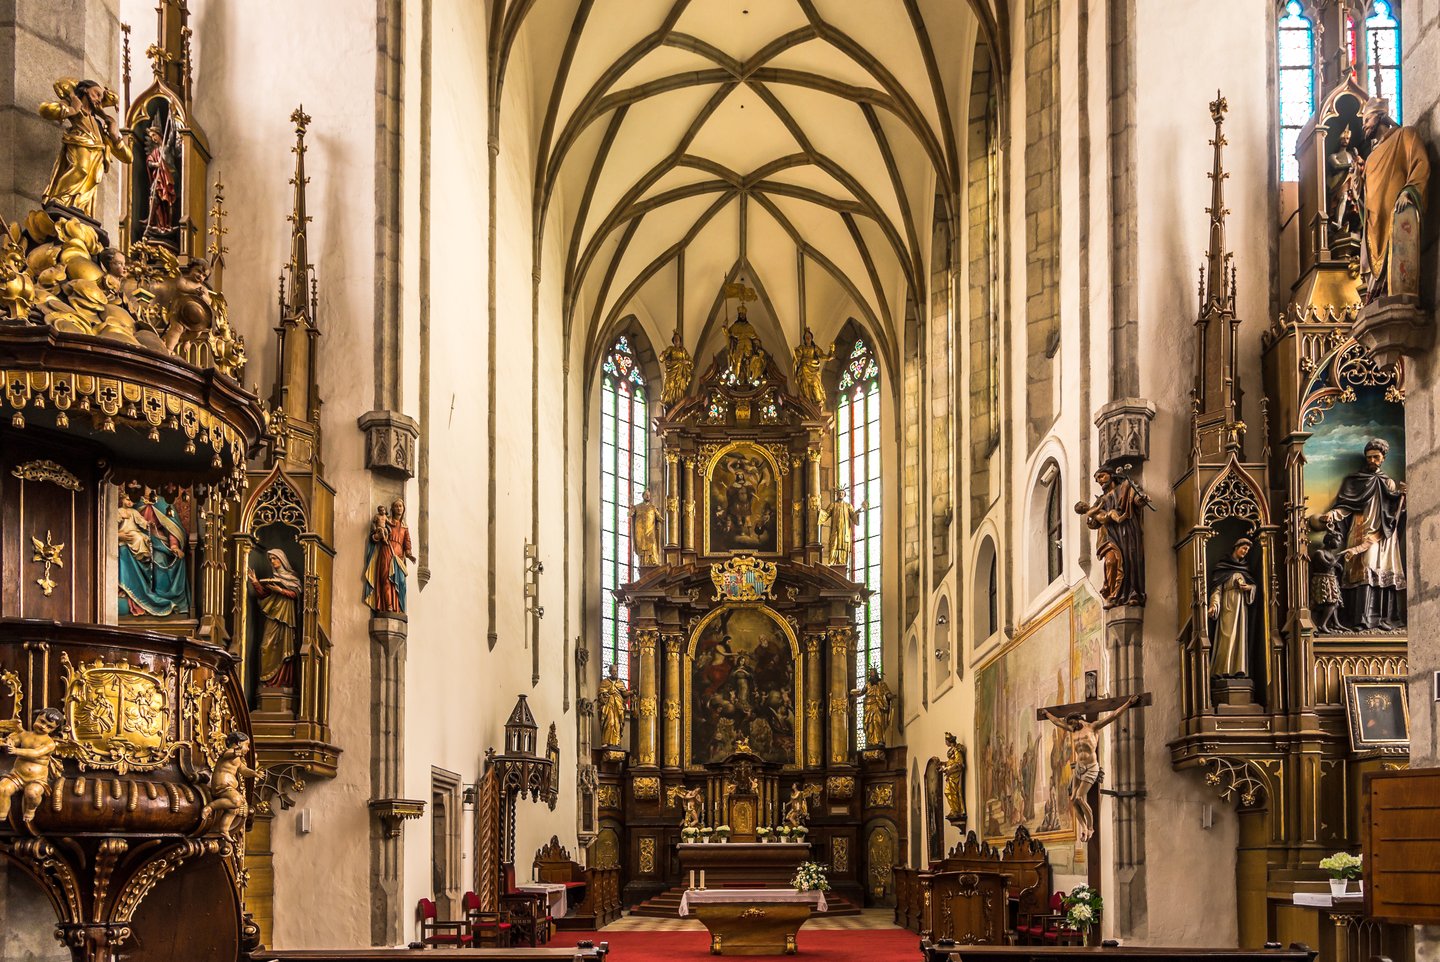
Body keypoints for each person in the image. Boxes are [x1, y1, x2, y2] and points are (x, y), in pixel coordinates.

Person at [1317, 438, 1407, 631]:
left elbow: (1394, 512)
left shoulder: (1388, 483)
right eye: (1369, 457)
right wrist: (1331, 514)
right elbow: (1345, 507)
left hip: (1381, 534)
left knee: (1376, 568)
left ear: (1383, 458)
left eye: (1376, 457)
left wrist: (1402, 499)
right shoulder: (1355, 481)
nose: (1372, 460)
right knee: (1358, 570)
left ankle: (1380, 618)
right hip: (1358, 530)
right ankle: (1358, 619)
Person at [1359, 98, 1430, 302]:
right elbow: (1370, 196)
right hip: (1374, 225)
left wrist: (1409, 190)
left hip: (1394, 217)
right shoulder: (1370, 158)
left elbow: (1420, 163)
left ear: (1381, 116)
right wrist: (1358, 189)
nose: (1364, 125)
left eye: (1367, 119)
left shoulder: (1404, 135)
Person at [1041, 695, 1138, 843]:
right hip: (1079, 768)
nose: (1072, 727)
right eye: (1070, 725)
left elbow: (1113, 715)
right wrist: (1047, 714)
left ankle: (1091, 828)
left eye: (1073, 724)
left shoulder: (1093, 727)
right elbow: (1057, 722)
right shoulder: (1072, 729)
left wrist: (1128, 703)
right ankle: (1084, 828)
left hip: (1091, 767)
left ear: (1078, 719)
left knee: (1080, 797)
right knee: (1073, 799)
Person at [38, 78, 131, 218]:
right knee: (80, 169)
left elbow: (128, 158)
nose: (99, 99)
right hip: (80, 145)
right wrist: (72, 109)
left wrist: (114, 136)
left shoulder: (100, 125)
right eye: (96, 94)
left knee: (88, 177)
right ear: (85, 90)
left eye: (101, 97)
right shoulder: (75, 109)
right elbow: (45, 110)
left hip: (95, 161)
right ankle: (60, 200)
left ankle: (78, 207)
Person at [1074, 466, 1150, 608]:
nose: (1099, 481)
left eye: (1101, 476)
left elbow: (1137, 500)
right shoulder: (1101, 500)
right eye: (1097, 479)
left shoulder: (1126, 487)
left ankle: (1133, 593)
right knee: (1110, 562)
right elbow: (1094, 522)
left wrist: (1142, 499)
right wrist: (1091, 518)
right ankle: (1114, 594)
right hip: (1109, 536)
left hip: (1127, 531)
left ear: (1111, 474)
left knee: (1130, 560)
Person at [249, 548, 302, 689]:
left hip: (287, 618)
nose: (273, 561)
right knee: (265, 646)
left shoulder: (293, 577)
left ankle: (284, 683)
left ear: (282, 559)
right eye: (270, 559)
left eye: (275, 558)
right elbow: (264, 596)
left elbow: (297, 595)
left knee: (285, 647)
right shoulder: (272, 577)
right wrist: (255, 583)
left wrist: (281, 590)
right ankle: (268, 682)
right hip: (273, 616)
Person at [0, 708, 63, 825]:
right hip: (17, 775)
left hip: (36, 779)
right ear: (37, 717)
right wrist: (9, 742)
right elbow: (13, 741)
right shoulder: (24, 735)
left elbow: (35, 753)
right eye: (42, 721)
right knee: (2, 788)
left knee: (32, 793)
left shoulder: (49, 743)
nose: (44, 727)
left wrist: (16, 751)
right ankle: (2, 815)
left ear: (54, 729)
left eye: (49, 727)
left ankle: (30, 809)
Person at [1208, 537, 1258, 677]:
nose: (1245, 552)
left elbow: (1254, 586)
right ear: (1236, 547)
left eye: (1247, 550)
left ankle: (1238, 670)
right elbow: (1217, 590)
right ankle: (1222, 670)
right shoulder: (1223, 567)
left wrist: (1248, 588)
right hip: (1227, 606)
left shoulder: (1245, 569)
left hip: (1241, 607)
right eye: (1243, 548)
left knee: (1240, 638)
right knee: (1227, 637)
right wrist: (1214, 605)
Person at [200, 731, 263, 839]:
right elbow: (226, 755)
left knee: (233, 809)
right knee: (237, 801)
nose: (248, 749)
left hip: (229, 787)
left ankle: (224, 830)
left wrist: (254, 773)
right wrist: (235, 752)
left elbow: (243, 770)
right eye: (246, 745)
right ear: (238, 743)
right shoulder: (229, 753)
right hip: (222, 785)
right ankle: (210, 807)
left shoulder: (238, 759)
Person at [365, 498, 417, 613]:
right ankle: (388, 606)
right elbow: (373, 538)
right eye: (396, 506)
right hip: (386, 551)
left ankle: (397, 608)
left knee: (401, 582)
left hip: (399, 557)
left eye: (401, 506)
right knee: (386, 579)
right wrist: (378, 536)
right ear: (392, 509)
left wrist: (409, 555)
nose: (399, 508)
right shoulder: (386, 522)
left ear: (403, 509)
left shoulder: (404, 527)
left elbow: (407, 544)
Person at [143, 123, 177, 235]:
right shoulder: (155, 151)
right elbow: (149, 162)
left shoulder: (166, 148)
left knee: (168, 201)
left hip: (169, 177)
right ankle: (152, 220)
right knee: (154, 193)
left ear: (159, 135)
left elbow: (172, 135)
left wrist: (172, 117)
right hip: (159, 177)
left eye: (154, 135)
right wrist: (155, 164)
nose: (153, 138)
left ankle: (168, 224)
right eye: (151, 136)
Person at [791, 327, 836, 409]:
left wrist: (830, 353)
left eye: (809, 337)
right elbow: (798, 357)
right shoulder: (801, 348)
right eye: (806, 337)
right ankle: (807, 400)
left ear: (811, 338)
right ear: (804, 339)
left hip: (813, 368)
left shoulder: (815, 348)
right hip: (804, 369)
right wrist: (796, 358)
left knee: (815, 382)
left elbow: (822, 355)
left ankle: (817, 401)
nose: (808, 338)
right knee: (805, 385)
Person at [851, 666, 894, 747]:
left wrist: (890, 696)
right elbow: (862, 693)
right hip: (868, 706)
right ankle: (871, 741)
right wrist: (855, 695)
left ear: (876, 674)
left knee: (877, 721)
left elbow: (887, 692)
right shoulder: (867, 685)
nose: (871, 675)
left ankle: (879, 740)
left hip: (878, 705)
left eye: (872, 673)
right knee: (869, 723)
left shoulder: (882, 684)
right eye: (870, 673)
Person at [597, 662, 631, 748]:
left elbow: (624, 694)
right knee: (610, 722)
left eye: (616, 671)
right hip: (609, 706)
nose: (615, 673)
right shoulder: (605, 682)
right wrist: (607, 694)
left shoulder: (620, 682)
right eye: (613, 671)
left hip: (618, 706)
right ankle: (606, 742)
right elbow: (601, 694)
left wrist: (630, 692)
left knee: (617, 724)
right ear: (610, 672)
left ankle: (616, 743)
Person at [659, 328, 693, 408]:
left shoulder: (683, 350)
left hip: (681, 371)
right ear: (673, 341)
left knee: (680, 387)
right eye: (675, 339)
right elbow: (662, 358)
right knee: (670, 385)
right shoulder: (670, 348)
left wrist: (687, 362)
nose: (677, 340)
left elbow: (690, 362)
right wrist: (662, 355)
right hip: (672, 370)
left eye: (678, 339)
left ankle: (679, 401)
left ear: (680, 341)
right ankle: (670, 401)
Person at [630, 489, 662, 567]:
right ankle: (642, 563)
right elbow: (630, 514)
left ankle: (653, 561)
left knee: (652, 546)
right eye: (646, 495)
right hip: (640, 532)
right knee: (642, 547)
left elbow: (659, 518)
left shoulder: (653, 507)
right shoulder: (637, 507)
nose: (648, 496)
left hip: (650, 532)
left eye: (649, 495)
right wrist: (631, 511)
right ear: (643, 496)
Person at [942, 732, 967, 826]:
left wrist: (948, 769)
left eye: (945, 740)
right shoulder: (952, 750)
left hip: (955, 775)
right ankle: (954, 809)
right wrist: (943, 764)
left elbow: (959, 763)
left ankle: (956, 810)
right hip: (951, 775)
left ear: (949, 741)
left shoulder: (957, 750)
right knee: (948, 792)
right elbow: (950, 762)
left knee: (952, 792)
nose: (945, 742)